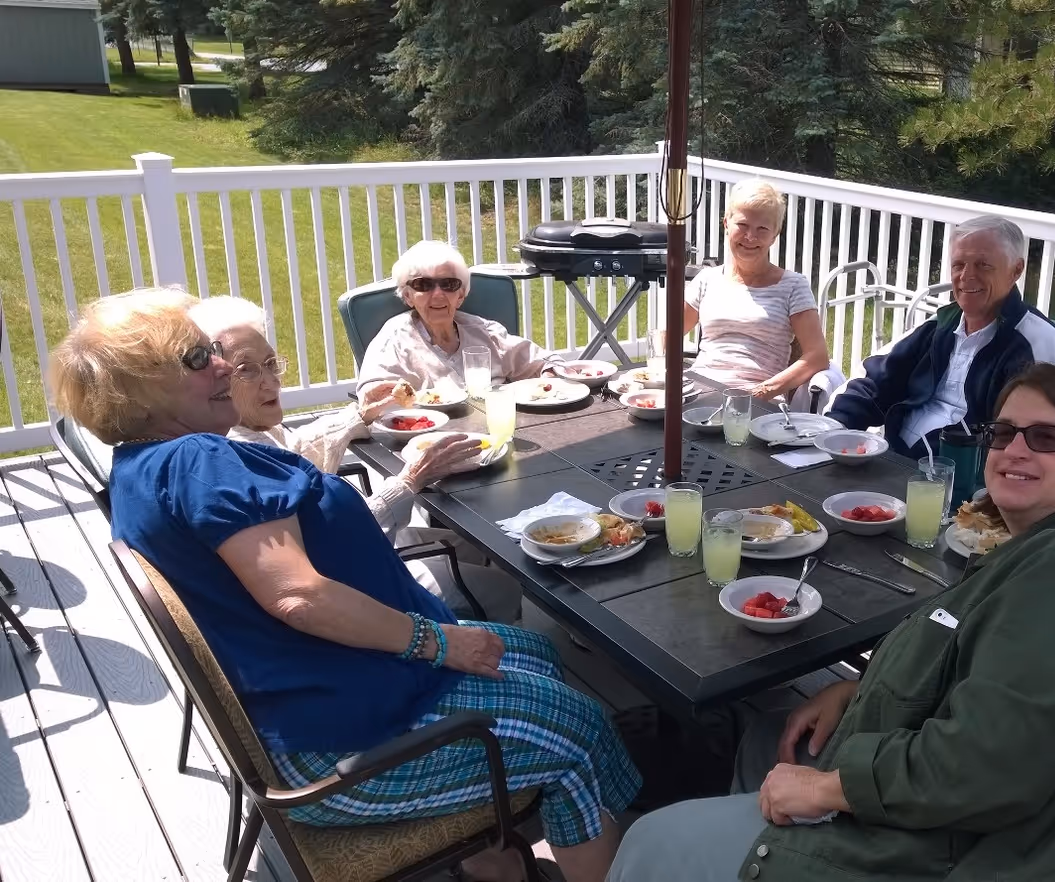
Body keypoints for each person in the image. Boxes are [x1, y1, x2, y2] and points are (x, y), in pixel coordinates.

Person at [51, 289, 640, 882]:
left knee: (536, 651)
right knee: (581, 732)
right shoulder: (201, 462)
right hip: (344, 747)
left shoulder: (141, 465)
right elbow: (297, 595)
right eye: (200, 358)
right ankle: (585, 838)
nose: (225, 365)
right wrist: (439, 643)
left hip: (326, 692)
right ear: (146, 389)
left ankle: (495, 861)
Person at [609, 363, 1055, 882]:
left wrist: (832, 789)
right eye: (1002, 433)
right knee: (765, 737)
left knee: (652, 841)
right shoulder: (1045, 552)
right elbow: (993, 674)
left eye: (1047, 437)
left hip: (955, 851)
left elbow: (986, 767)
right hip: (934, 802)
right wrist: (862, 689)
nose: (1014, 450)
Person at [190, 295, 524, 624]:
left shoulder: (251, 429)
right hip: (357, 583)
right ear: (215, 380)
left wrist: (360, 415)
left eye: (271, 363)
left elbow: (297, 449)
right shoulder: (241, 456)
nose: (272, 380)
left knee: (472, 544)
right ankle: (504, 655)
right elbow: (333, 538)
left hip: (360, 545)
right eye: (247, 370)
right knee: (506, 583)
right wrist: (410, 481)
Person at [826, 215, 1055, 457]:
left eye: (983, 265)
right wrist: (834, 430)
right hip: (893, 460)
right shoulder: (941, 325)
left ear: (1016, 270)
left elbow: (1035, 437)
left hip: (960, 480)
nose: (966, 276)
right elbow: (873, 379)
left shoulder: (1036, 343)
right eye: (958, 265)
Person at [684, 179, 842, 410]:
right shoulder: (707, 279)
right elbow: (669, 333)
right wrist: (654, 369)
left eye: (762, 229)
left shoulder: (793, 286)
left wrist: (761, 392)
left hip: (757, 402)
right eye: (743, 225)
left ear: (775, 235)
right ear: (726, 224)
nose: (750, 237)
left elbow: (817, 356)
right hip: (700, 393)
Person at [357, 240, 563, 398]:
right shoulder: (395, 340)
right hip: (431, 442)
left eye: (448, 284)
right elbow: (372, 397)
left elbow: (546, 363)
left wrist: (547, 386)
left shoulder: (484, 332)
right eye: (423, 284)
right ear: (408, 296)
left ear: (461, 295)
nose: (438, 294)